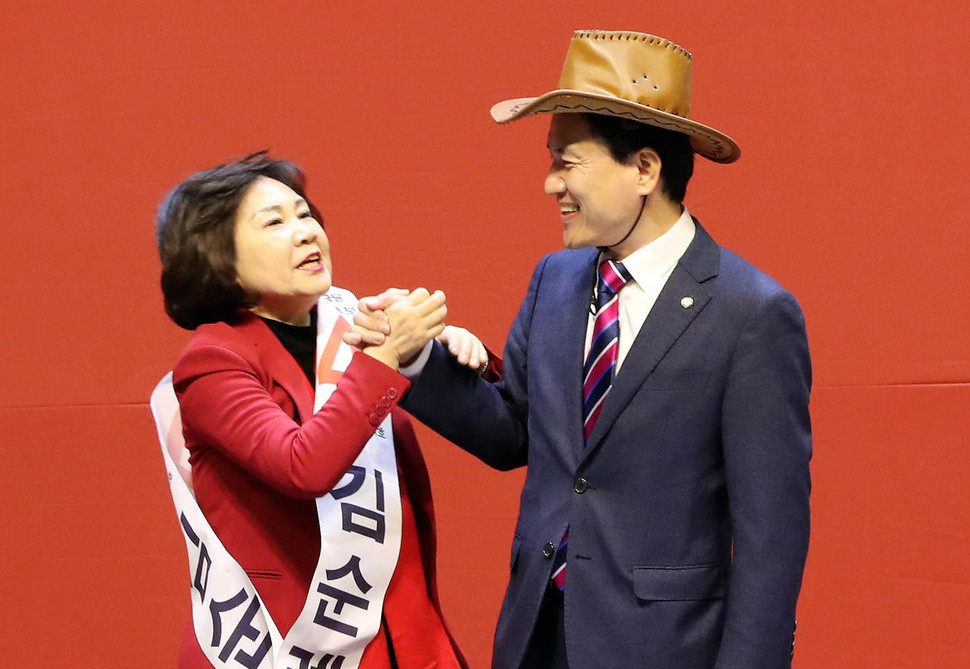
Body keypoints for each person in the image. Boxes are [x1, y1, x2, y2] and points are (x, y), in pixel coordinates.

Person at [350, 30, 812, 668]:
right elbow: (515, 431)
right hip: (538, 634)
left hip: (664, 649)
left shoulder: (751, 313)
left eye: (567, 162)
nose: (549, 185)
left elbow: (773, 539)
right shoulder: (555, 279)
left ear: (645, 168)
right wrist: (414, 359)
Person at [153, 153, 488, 668]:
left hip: (404, 637)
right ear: (217, 255)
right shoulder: (213, 361)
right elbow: (302, 465)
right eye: (275, 222)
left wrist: (436, 354)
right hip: (285, 641)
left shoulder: (352, 322)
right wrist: (387, 355)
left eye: (305, 214)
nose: (306, 232)